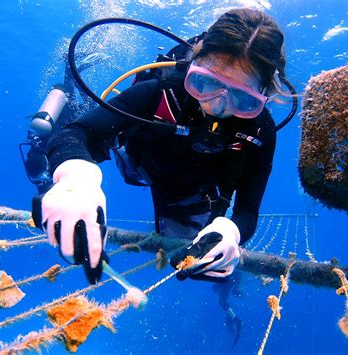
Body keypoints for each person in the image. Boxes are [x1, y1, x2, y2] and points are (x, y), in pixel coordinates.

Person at [32, 8, 291, 285]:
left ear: (264, 96)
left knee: (197, 255)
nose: (216, 107)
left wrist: (231, 229)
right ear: (193, 64)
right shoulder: (162, 89)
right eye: (205, 83)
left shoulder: (261, 130)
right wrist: (76, 178)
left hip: (187, 192)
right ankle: (69, 96)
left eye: (241, 98)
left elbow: (247, 211)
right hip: (136, 160)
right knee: (53, 143)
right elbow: (79, 133)